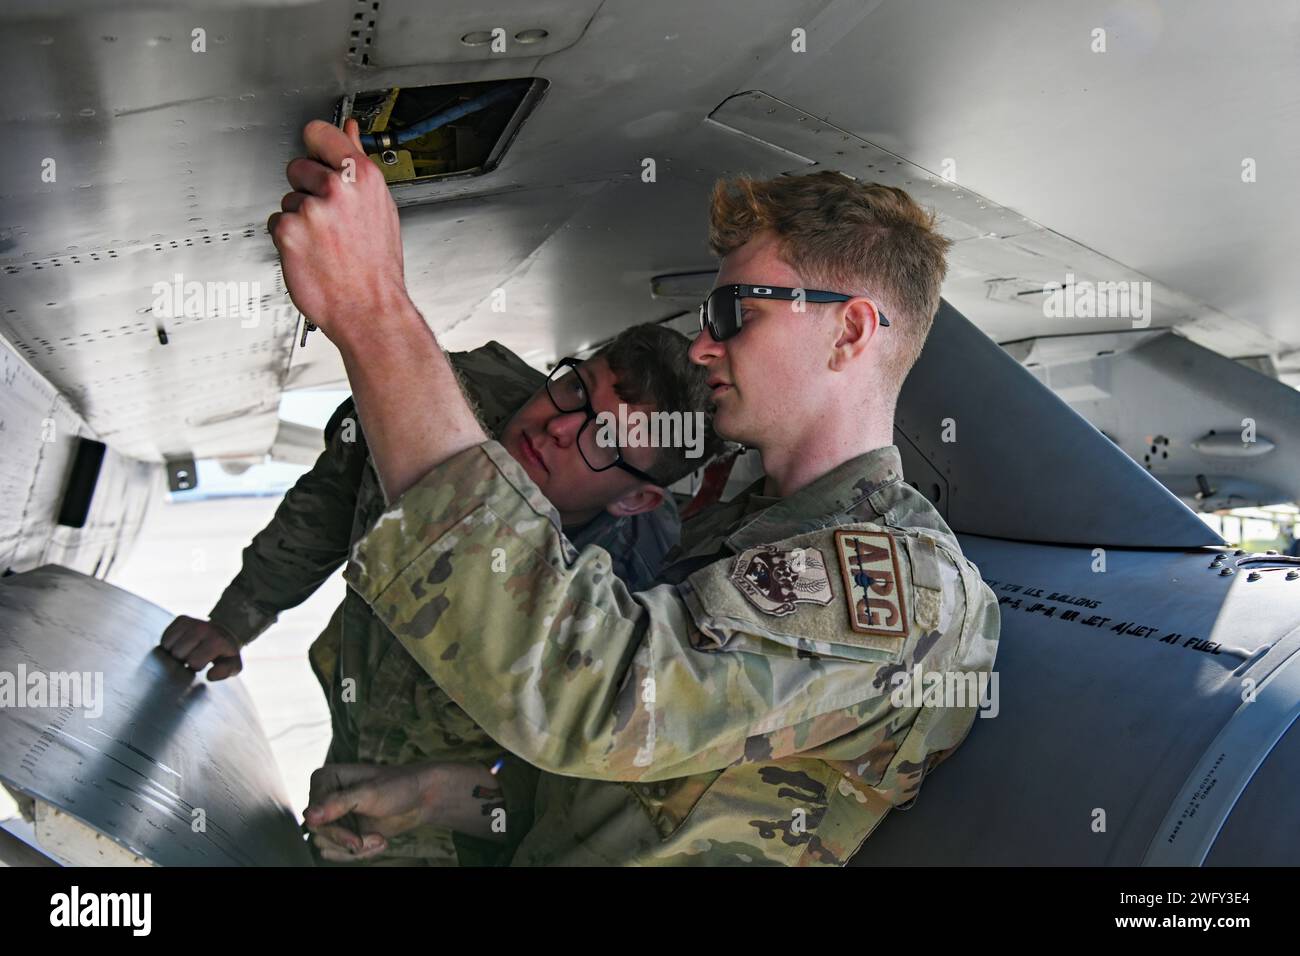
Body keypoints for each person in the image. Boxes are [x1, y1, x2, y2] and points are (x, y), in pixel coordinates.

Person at [273, 118, 1001, 865]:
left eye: (735, 315)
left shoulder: (896, 588)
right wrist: (429, 796)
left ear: (849, 332)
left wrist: (373, 310)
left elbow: (585, 694)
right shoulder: (759, 533)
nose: (701, 345)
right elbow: (629, 790)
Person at [159, 323, 719, 864]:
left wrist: (431, 798)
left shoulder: (636, 598)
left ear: (634, 501)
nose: (561, 427)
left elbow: (573, 781)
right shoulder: (440, 403)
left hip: (457, 826)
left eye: (604, 439)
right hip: (360, 721)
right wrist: (238, 615)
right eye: (576, 389)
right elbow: (334, 496)